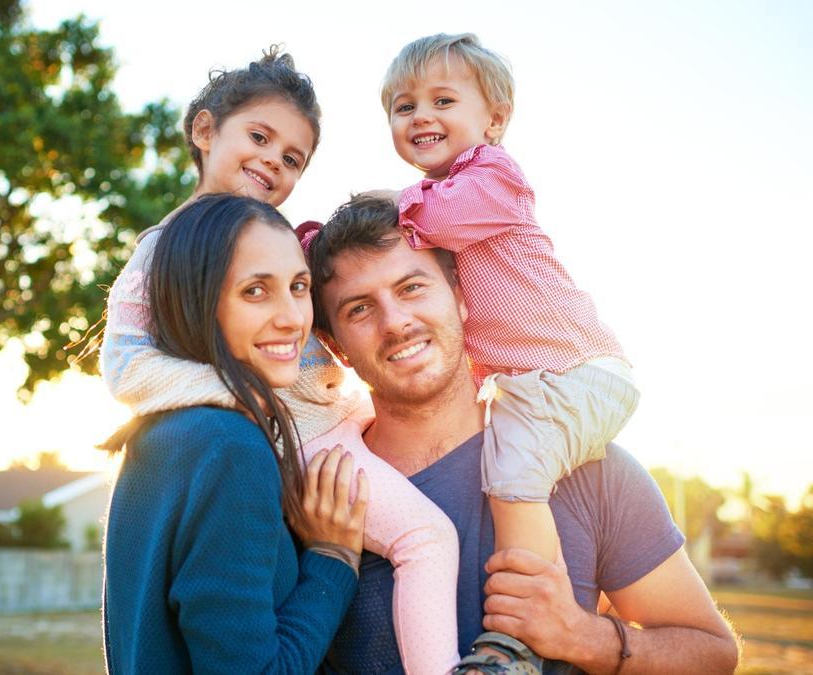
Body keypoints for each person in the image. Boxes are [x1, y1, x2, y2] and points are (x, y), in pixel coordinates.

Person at [100, 47, 461, 675]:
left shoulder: (279, 242)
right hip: (309, 442)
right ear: (205, 130)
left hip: (328, 428)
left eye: (292, 158)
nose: (273, 160)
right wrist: (244, 396)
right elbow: (126, 366)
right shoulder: (164, 255)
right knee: (426, 540)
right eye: (259, 136)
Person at [302, 195, 738, 674]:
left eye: (411, 288)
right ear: (334, 346)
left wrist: (583, 637)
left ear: (462, 299)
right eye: (360, 309)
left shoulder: (590, 468)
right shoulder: (315, 496)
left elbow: (712, 654)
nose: (396, 323)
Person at [102, 194, 369, 673]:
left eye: (298, 286)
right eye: (255, 291)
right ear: (198, 301)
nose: (291, 318)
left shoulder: (163, 432)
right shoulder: (229, 447)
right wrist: (334, 559)